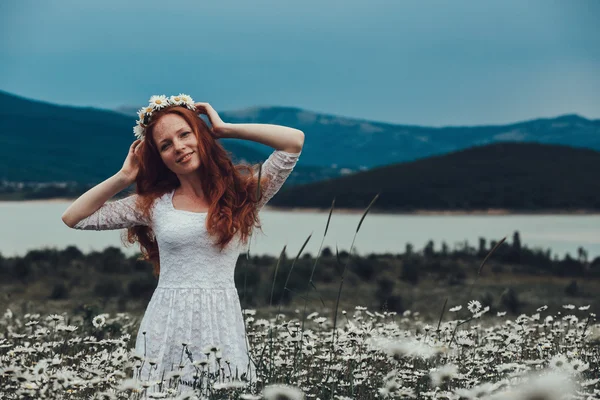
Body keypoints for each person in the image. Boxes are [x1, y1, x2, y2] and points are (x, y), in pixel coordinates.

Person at [61, 94, 304, 389]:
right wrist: (124, 176)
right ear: (160, 158)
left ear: (200, 135)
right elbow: (75, 217)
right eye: (166, 145)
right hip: (166, 322)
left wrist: (225, 128)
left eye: (185, 134)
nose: (179, 147)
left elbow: (293, 142)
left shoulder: (242, 193)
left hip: (222, 319)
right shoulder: (153, 204)